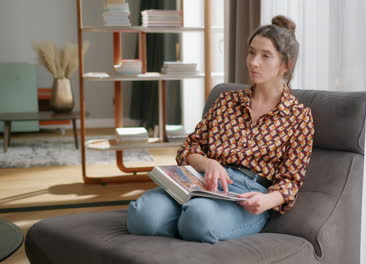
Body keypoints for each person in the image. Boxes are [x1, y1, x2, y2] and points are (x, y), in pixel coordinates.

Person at [127, 15, 315, 244]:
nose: (254, 62)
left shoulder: (299, 117)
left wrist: (267, 201)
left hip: (245, 194)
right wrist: (209, 163)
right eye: (251, 52)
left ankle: (189, 223)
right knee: (142, 216)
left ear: (286, 65)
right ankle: (185, 223)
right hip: (201, 181)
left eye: (265, 56)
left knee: (198, 218)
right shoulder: (226, 101)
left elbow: (290, 180)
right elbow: (189, 148)